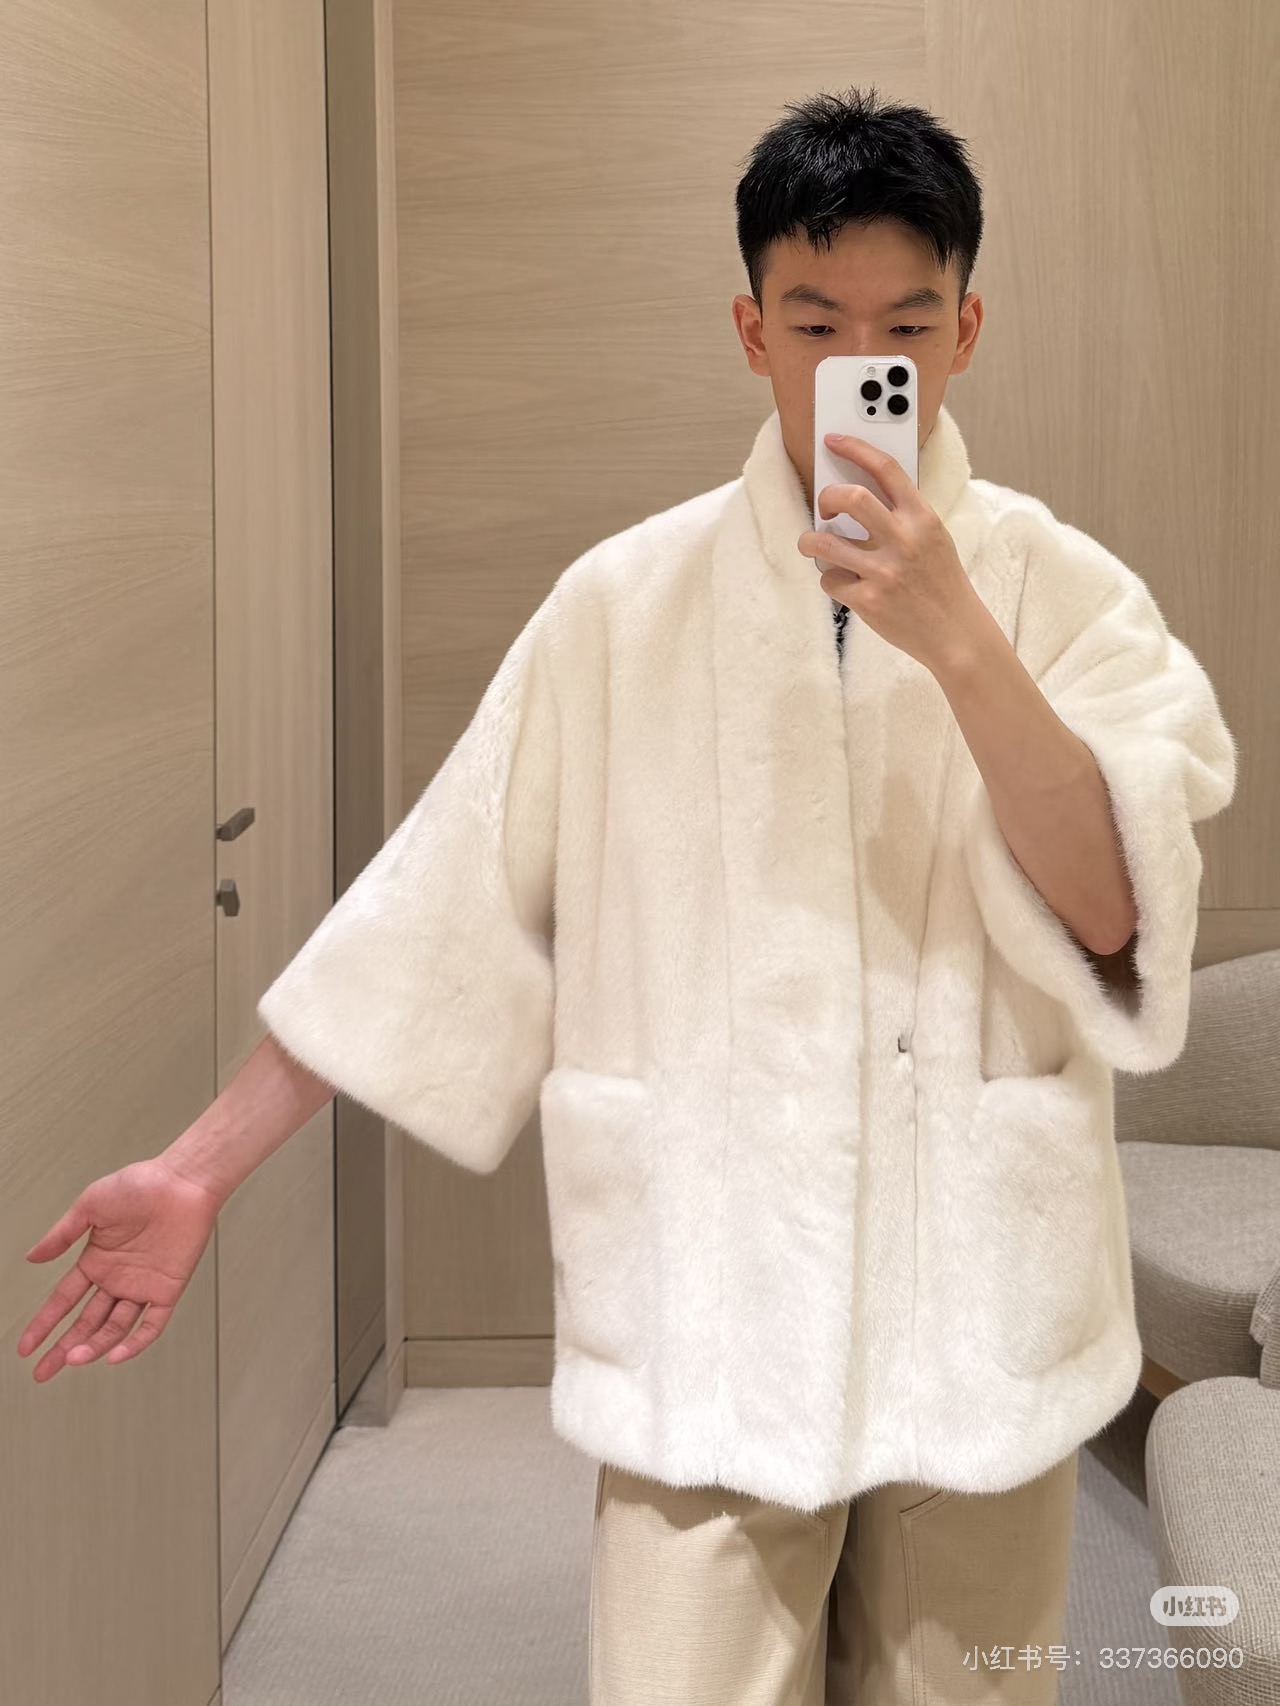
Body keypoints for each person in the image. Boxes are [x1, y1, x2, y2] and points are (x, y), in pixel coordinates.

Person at [17, 84, 1237, 1706]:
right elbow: (438, 911)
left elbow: (1113, 916)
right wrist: (196, 1167)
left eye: (903, 324)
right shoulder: (620, 607)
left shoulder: (1066, 594)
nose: (857, 359)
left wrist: (960, 643)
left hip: (979, 1304)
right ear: (751, 330)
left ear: (964, 331)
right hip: (707, 1303)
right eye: (816, 322)